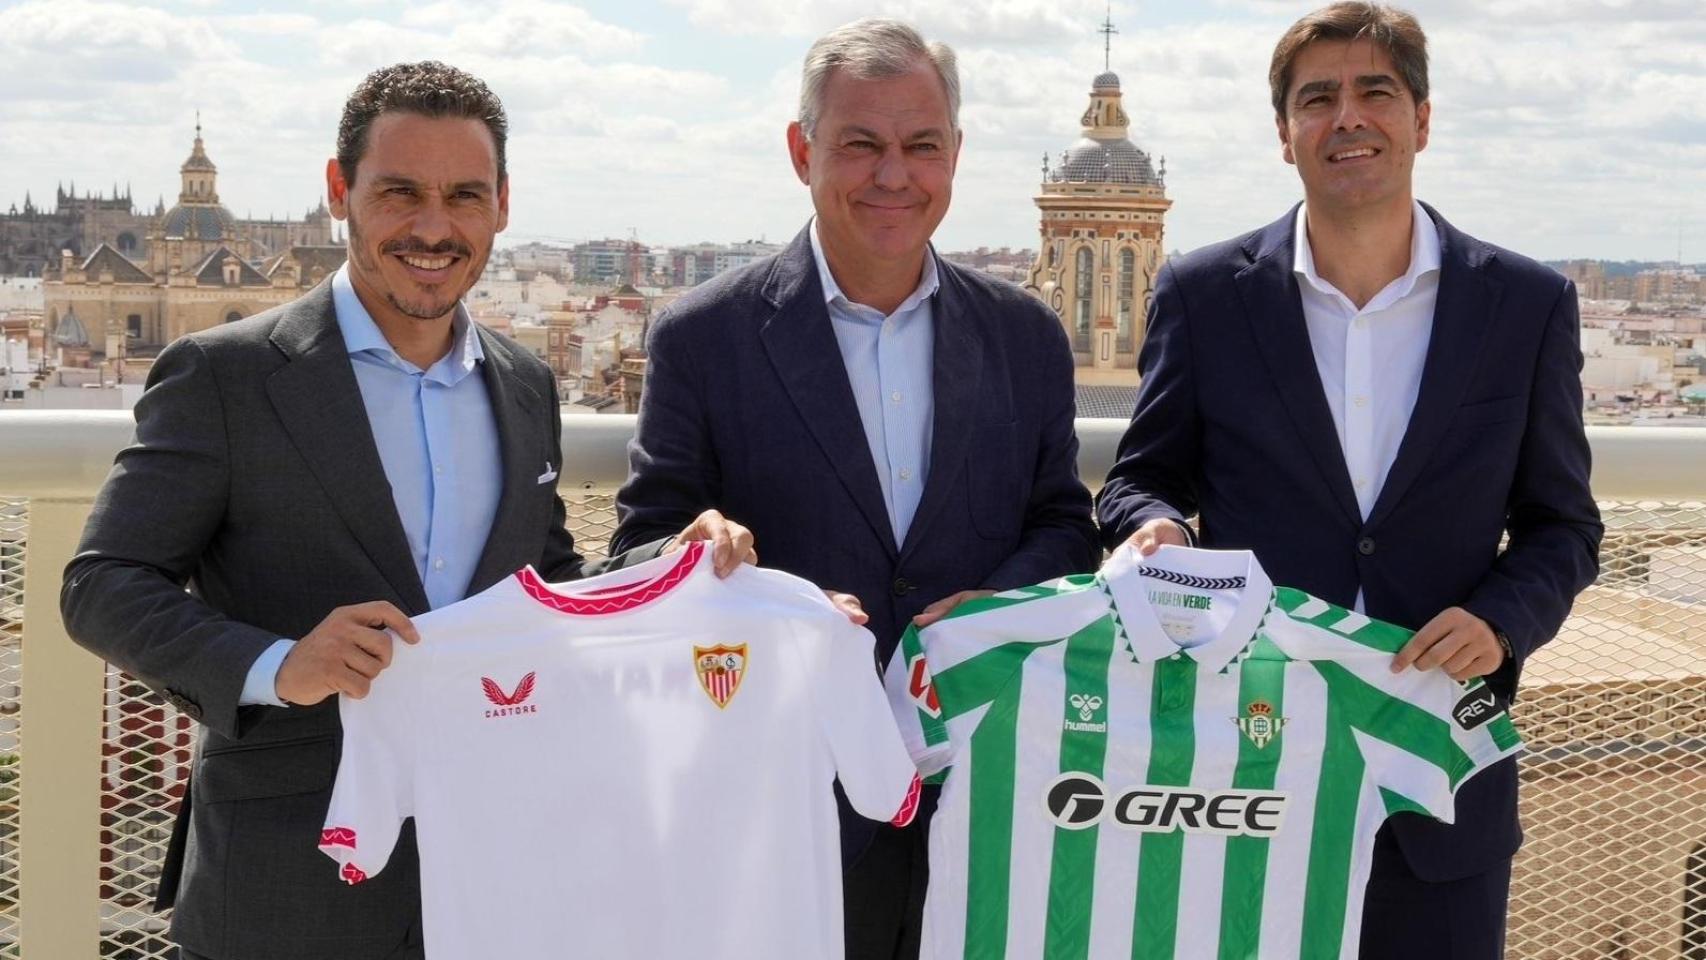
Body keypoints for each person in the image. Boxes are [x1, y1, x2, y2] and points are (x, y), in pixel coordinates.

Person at [60, 61, 753, 960]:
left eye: (465, 195)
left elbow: (539, 584)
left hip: (496, 877)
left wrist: (673, 562)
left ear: (502, 204)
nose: (435, 227)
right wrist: (280, 664)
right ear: (339, 190)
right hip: (286, 889)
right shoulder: (224, 375)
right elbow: (102, 583)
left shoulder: (524, 385)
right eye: (400, 193)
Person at [1094, 4, 1603, 957]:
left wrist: (1501, 621)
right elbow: (1140, 479)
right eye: (1316, 98)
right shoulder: (1205, 295)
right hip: (1235, 773)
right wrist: (1155, 526)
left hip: (1443, 777)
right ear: (1284, 135)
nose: (1348, 118)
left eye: (1376, 92)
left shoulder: (1527, 305)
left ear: (1422, 118)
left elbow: (1563, 527)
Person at [610, 18, 1099, 959]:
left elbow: (1063, 528)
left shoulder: (1026, 337)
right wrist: (690, 552)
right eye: (860, 145)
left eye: (920, 146)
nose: (893, 174)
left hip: (987, 796)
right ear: (803, 151)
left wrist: (998, 604)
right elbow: (638, 545)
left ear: (954, 154)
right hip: (785, 801)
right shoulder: (701, 337)